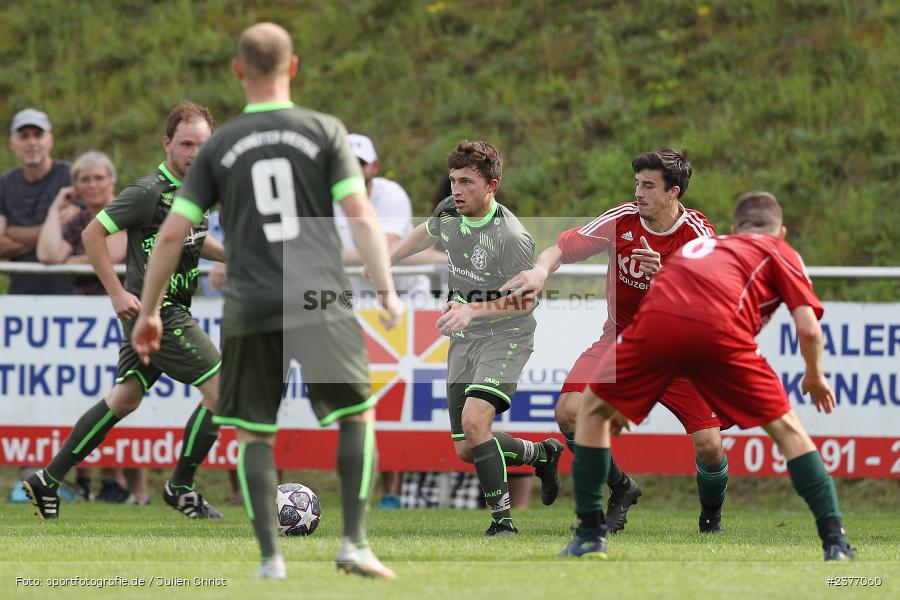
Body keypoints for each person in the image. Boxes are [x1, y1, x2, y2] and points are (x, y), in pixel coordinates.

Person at [130, 23, 404, 580]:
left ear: (237, 70)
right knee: (356, 415)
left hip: (251, 302)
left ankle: (270, 559)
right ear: (294, 66)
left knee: (254, 431)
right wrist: (386, 288)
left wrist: (151, 309)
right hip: (318, 297)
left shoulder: (221, 144)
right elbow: (361, 216)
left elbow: (172, 234)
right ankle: (353, 542)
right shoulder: (324, 130)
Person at [559, 191, 857, 561]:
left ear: (734, 229)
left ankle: (590, 534)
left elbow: (666, 298)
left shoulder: (705, 248)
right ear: (781, 231)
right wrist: (815, 376)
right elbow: (810, 330)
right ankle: (834, 542)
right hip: (719, 334)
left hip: (655, 325)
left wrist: (629, 390)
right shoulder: (780, 251)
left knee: (589, 413)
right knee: (788, 432)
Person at [502, 148, 730, 533]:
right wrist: (541, 272)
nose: (637, 192)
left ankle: (711, 520)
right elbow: (560, 248)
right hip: (622, 340)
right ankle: (621, 487)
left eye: (648, 186)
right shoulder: (623, 219)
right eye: (636, 183)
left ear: (674, 193)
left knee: (709, 446)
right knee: (568, 412)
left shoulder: (696, 234)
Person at [22, 101, 226, 521]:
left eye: (202, 146)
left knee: (125, 398)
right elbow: (93, 233)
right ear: (167, 144)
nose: (194, 154)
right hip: (159, 312)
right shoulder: (150, 191)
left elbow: (189, 237)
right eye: (186, 145)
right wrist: (115, 292)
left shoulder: (197, 190)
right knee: (223, 393)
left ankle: (48, 478)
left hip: (159, 311)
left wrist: (228, 255)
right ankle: (181, 488)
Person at [379, 140, 564, 536]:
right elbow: (425, 233)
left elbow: (525, 303)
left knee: (475, 418)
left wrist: (471, 310)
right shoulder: (450, 211)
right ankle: (541, 454)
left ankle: (503, 523)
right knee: (467, 446)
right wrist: (385, 259)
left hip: (506, 333)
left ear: (492, 186)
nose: (456, 190)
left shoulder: (512, 237)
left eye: (466, 182)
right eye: (453, 181)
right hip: (465, 336)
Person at [35, 150, 148, 504]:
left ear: (111, 182)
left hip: (125, 310)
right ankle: (82, 481)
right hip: (83, 322)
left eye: (99, 178)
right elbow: (47, 254)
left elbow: (114, 250)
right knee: (94, 400)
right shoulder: (76, 219)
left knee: (129, 396)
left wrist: (78, 256)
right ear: (76, 187)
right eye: (85, 179)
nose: (93, 184)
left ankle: (133, 488)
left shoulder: (125, 210)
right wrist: (56, 207)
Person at [0, 108, 74, 295]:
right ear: (12, 142)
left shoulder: (70, 176)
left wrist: (13, 232)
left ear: (50, 140)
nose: (32, 142)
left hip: (69, 291)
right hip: (21, 292)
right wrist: (49, 236)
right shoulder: (4, 184)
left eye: (38, 135)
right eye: (24, 136)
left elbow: (71, 228)